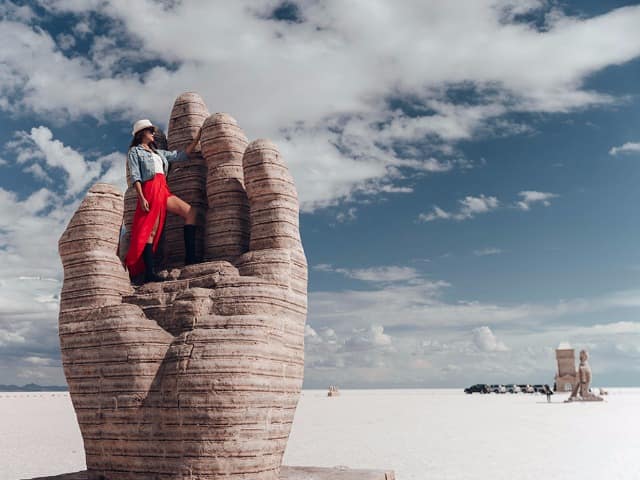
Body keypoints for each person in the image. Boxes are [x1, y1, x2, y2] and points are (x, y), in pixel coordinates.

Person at [125, 119, 201, 283]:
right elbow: (136, 176)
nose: (153, 133)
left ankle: (190, 258)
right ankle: (149, 274)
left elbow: (180, 155)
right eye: (150, 130)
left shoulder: (158, 153)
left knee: (190, 212)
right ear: (141, 134)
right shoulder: (135, 152)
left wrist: (197, 139)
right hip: (150, 189)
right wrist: (142, 197)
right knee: (150, 230)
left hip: (163, 189)